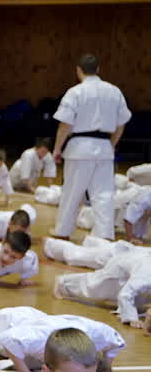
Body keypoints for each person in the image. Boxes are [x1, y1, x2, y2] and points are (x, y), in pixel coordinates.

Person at [52, 54, 131, 241]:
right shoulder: (114, 92)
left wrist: (57, 148)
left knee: (72, 192)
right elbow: (122, 123)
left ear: (78, 70)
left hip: (79, 148)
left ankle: (63, 232)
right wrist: (111, 144)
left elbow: (65, 125)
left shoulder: (75, 92)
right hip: (104, 149)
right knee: (104, 194)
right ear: (98, 69)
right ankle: (104, 236)